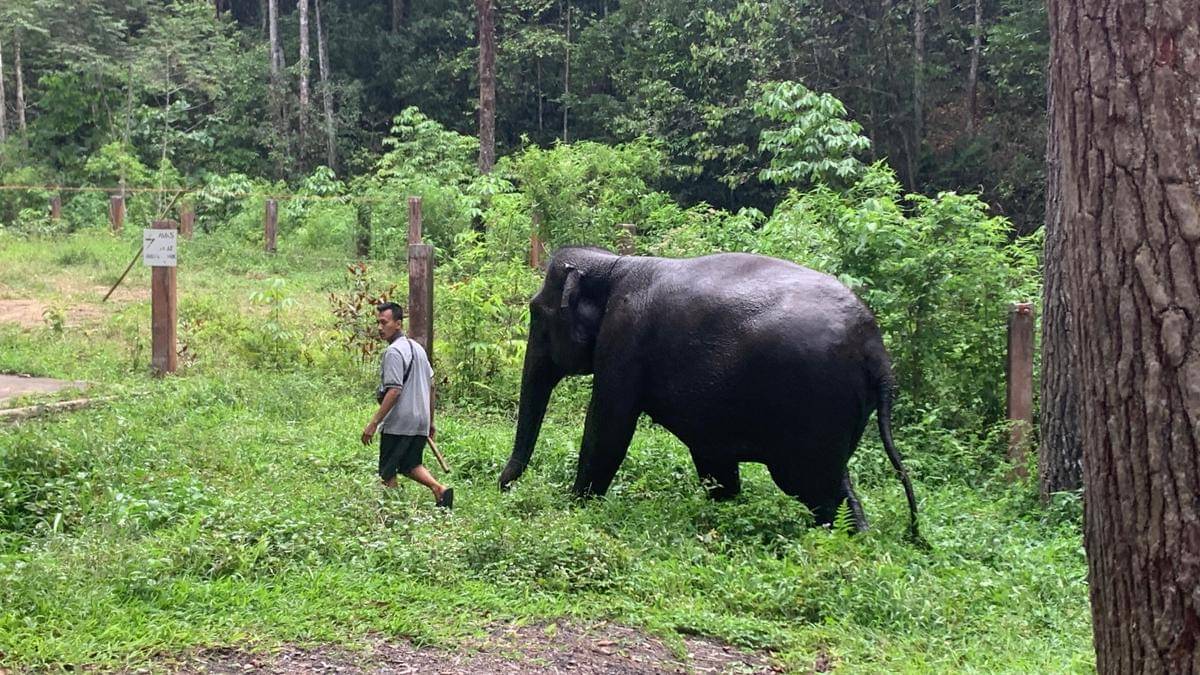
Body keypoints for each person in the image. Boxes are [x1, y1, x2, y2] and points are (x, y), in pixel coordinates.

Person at [361, 301, 452, 508]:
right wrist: (430, 421)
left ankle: (393, 513)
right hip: (419, 421)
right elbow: (431, 386)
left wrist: (374, 423)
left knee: (387, 470)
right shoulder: (418, 349)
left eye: (384, 323)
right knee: (411, 464)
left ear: (398, 324)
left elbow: (394, 390)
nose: (380, 327)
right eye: (378, 323)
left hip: (399, 423)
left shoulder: (394, 352)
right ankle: (439, 489)